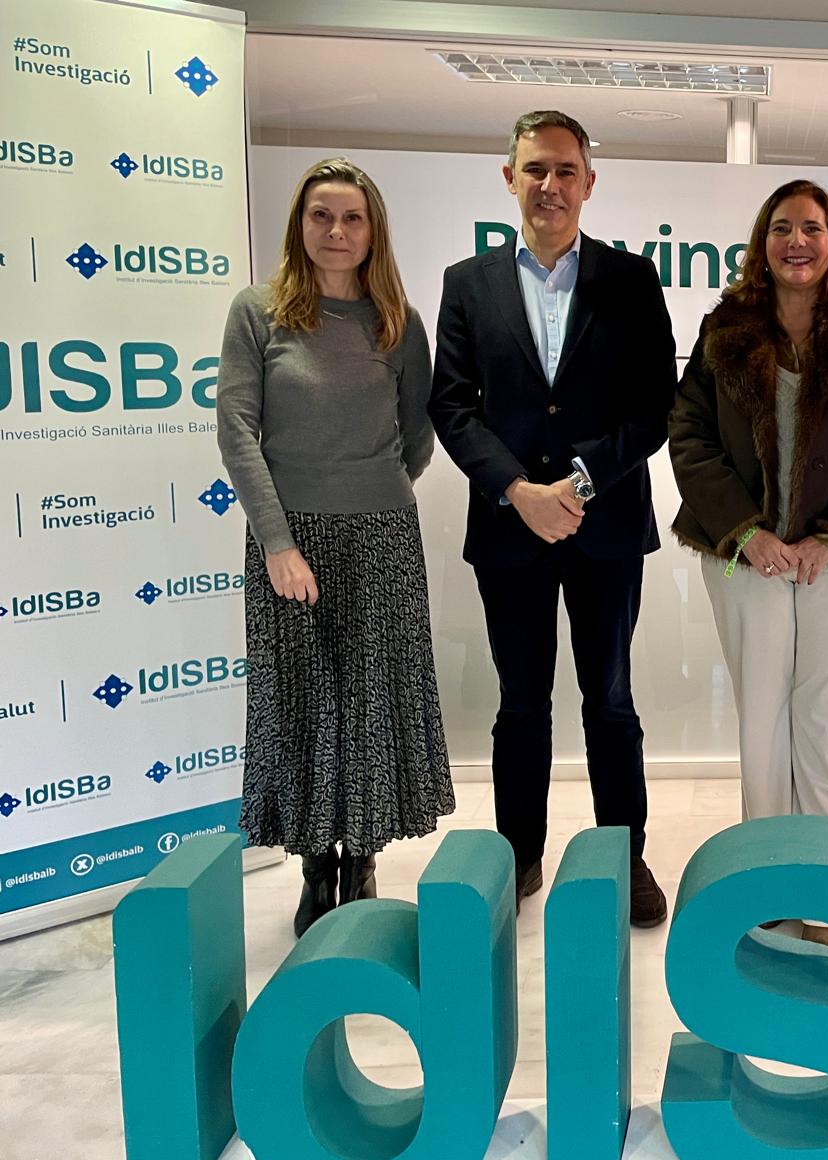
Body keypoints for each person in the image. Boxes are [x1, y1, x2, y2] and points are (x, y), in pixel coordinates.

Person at [429, 111, 675, 926]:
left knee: (611, 699)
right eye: (535, 168)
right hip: (510, 529)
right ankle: (520, 852)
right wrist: (518, 489)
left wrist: (578, 481)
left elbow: (655, 405)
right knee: (519, 703)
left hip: (605, 527)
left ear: (588, 183)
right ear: (510, 178)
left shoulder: (631, 279)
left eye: (566, 170)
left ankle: (624, 853)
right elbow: (452, 405)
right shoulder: (467, 283)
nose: (550, 185)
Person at [669, 180, 828, 947]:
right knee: (763, 726)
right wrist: (746, 532)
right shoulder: (726, 328)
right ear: (763, 242)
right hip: (748, 559)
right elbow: (689, 435)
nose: (797, 242)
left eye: (811, 228)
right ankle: (770, 892)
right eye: (782, 227)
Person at [218, 157, 454, 938]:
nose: (337, 231)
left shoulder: (397, 321)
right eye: (321, 215)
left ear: (373, 230)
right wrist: (278, 540)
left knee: (372, 702)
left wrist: (373, 490)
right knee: (303, 702)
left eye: (353, 217)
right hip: (290, 540)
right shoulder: (258, 312)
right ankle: (317, 865)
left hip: (382, 535)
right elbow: (237, 430)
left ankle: (365, 859)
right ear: (300, 224)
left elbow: (417, 434)